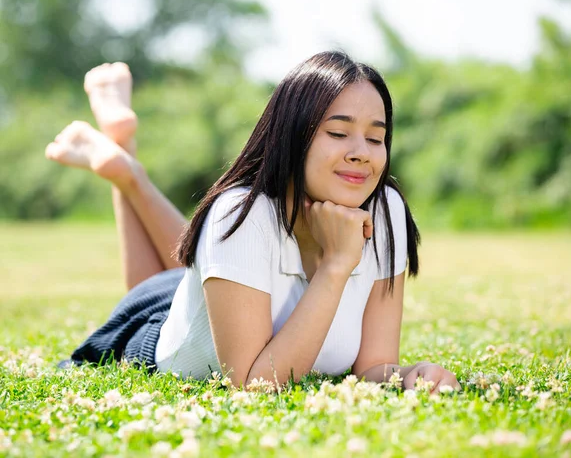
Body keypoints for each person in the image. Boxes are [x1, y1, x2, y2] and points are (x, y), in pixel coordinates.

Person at [45, 51, 460, 394]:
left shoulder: (384, 211)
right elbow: (252, 385)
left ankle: (125, 162)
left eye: (375, 138)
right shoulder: (240, 213)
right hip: (155, 327)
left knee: (192, 266)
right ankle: (126, 169)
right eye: (338, 133)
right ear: (293, 135)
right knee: (156, 285)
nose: (361, 153)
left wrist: (408, 375)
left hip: (222, 283)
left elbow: (373, 365)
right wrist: (336, 265)